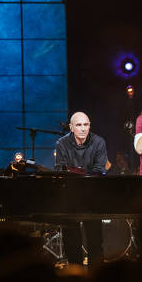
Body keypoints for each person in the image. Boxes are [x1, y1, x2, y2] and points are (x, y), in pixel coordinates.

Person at [54, 112, 107, 267]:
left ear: (90, 125)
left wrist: (75, 171)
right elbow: (60, 171)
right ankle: (75, 278)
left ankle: (96, 279)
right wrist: (81, 173)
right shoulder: (62, 143)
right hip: (70, 195)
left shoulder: (99, 142)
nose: (83, 128)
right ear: (71, 127)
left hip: (93, 195)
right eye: (78, 125)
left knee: (95, 241)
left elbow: (99, 170)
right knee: (71, 241)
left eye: (86, 124)